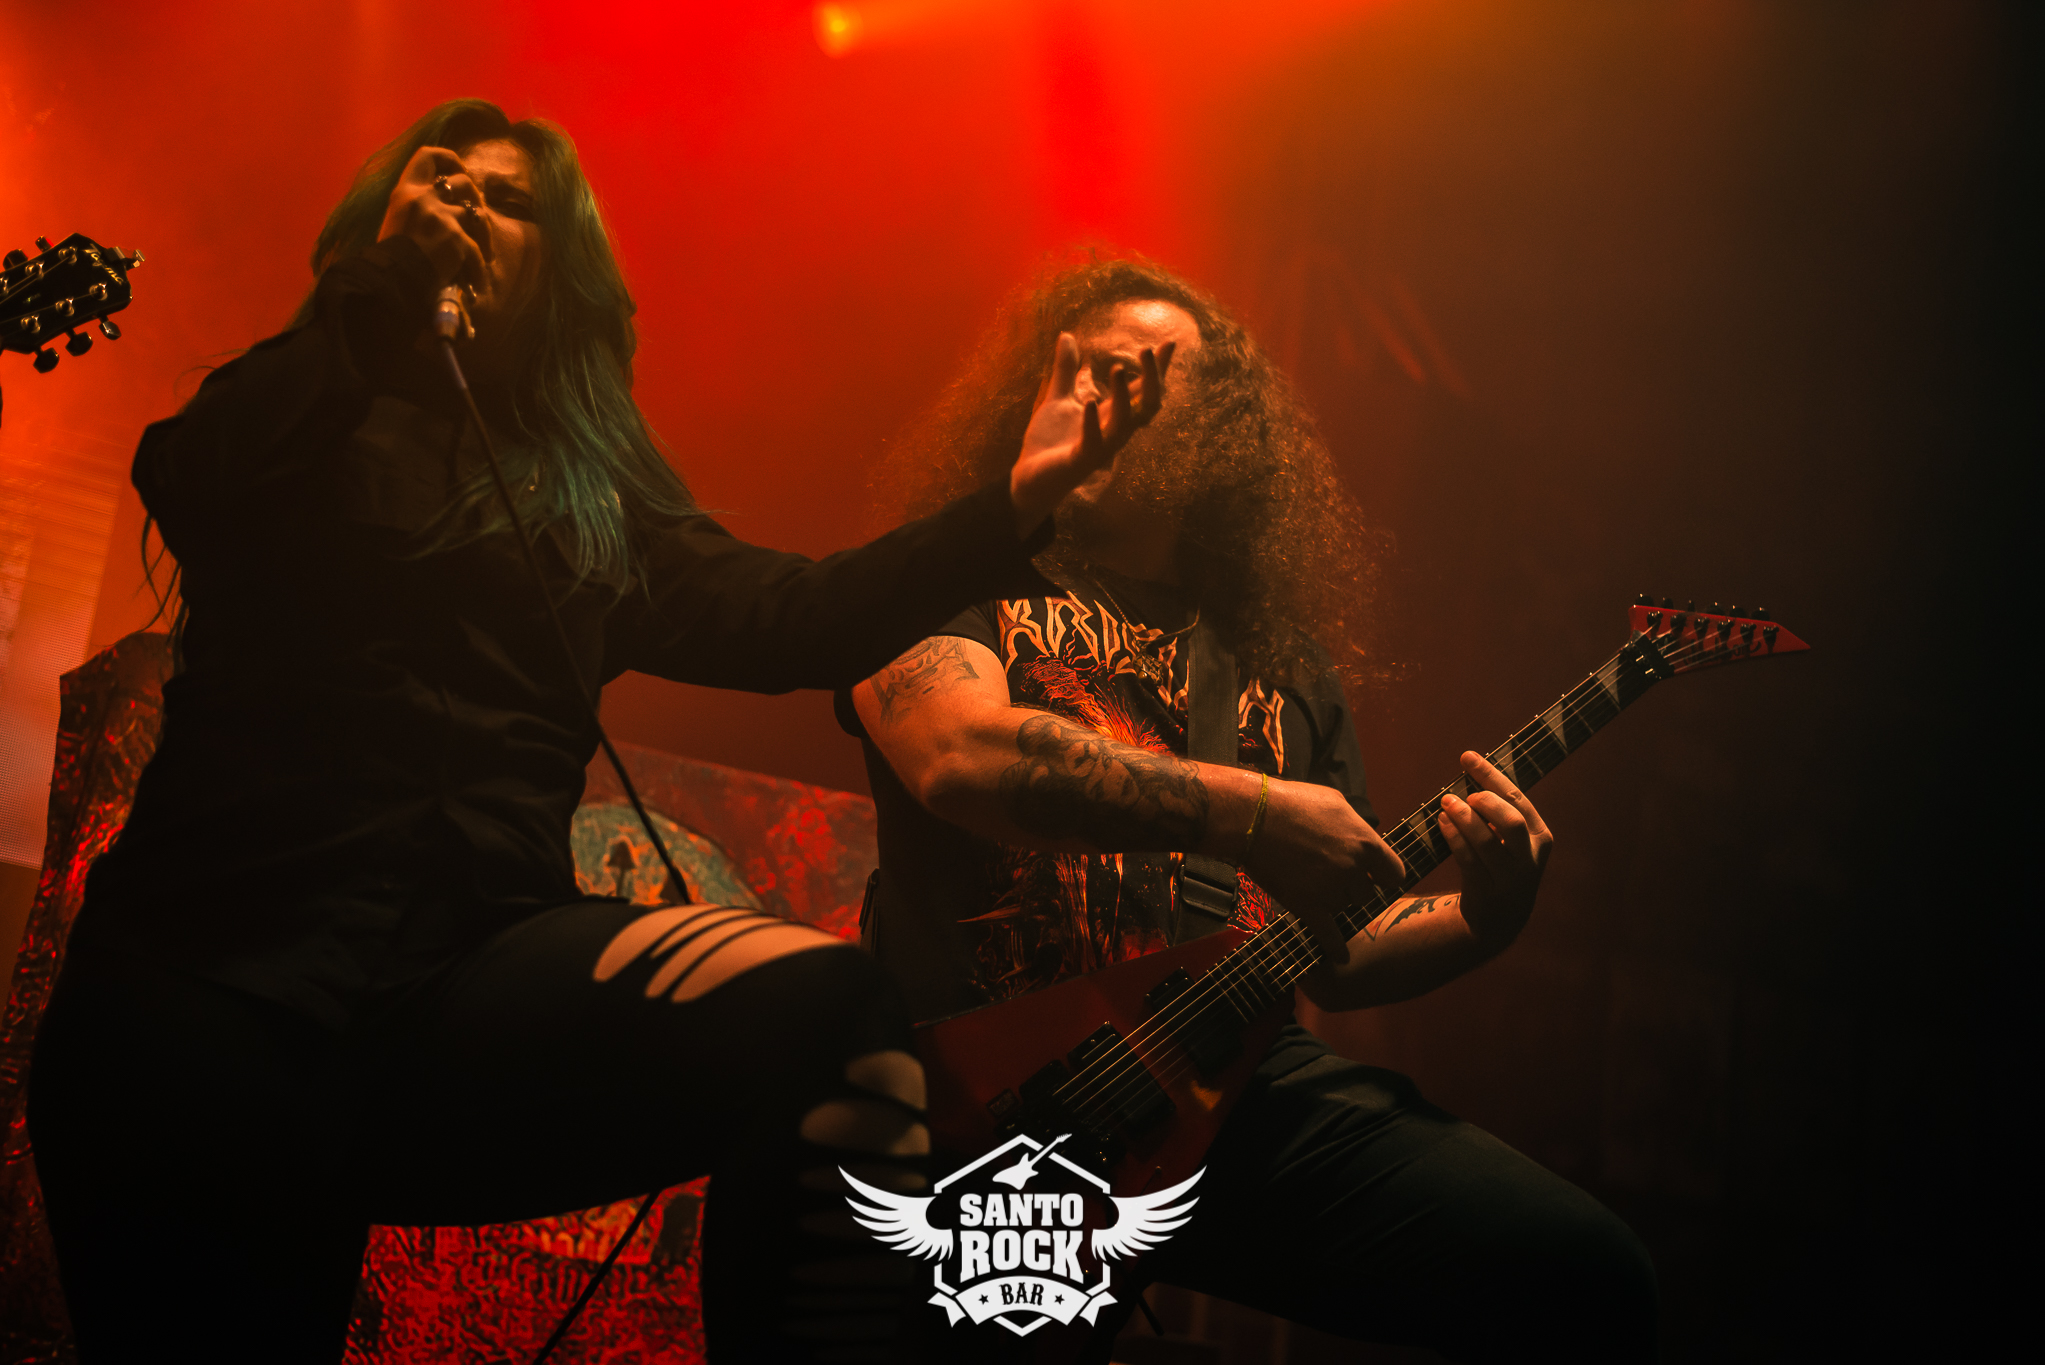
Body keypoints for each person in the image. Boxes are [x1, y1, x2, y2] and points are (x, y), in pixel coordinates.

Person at [25, 100, 1172, 1365]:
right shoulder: (297, 401)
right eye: (439, 179)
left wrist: (1017, 498)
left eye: (508, 199)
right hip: (196, 1004)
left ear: (555, 274)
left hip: (454, 992)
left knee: (826, 1010)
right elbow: (189, 477)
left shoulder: (591, 499)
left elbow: (793, 620)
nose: (466, 203)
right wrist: (376, 294)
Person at [841, 257, 1659, 1362]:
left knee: (1583, 1275)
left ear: (1217, 437)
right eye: (1066, 371)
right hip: (976, 1113)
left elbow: (1335, 943)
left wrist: (1483, 915)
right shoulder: (941, 580)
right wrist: (1256, 809)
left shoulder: (1279, 666)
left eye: (1128, 377)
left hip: (1227, 1095)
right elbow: (953, 755)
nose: (1086, 397)